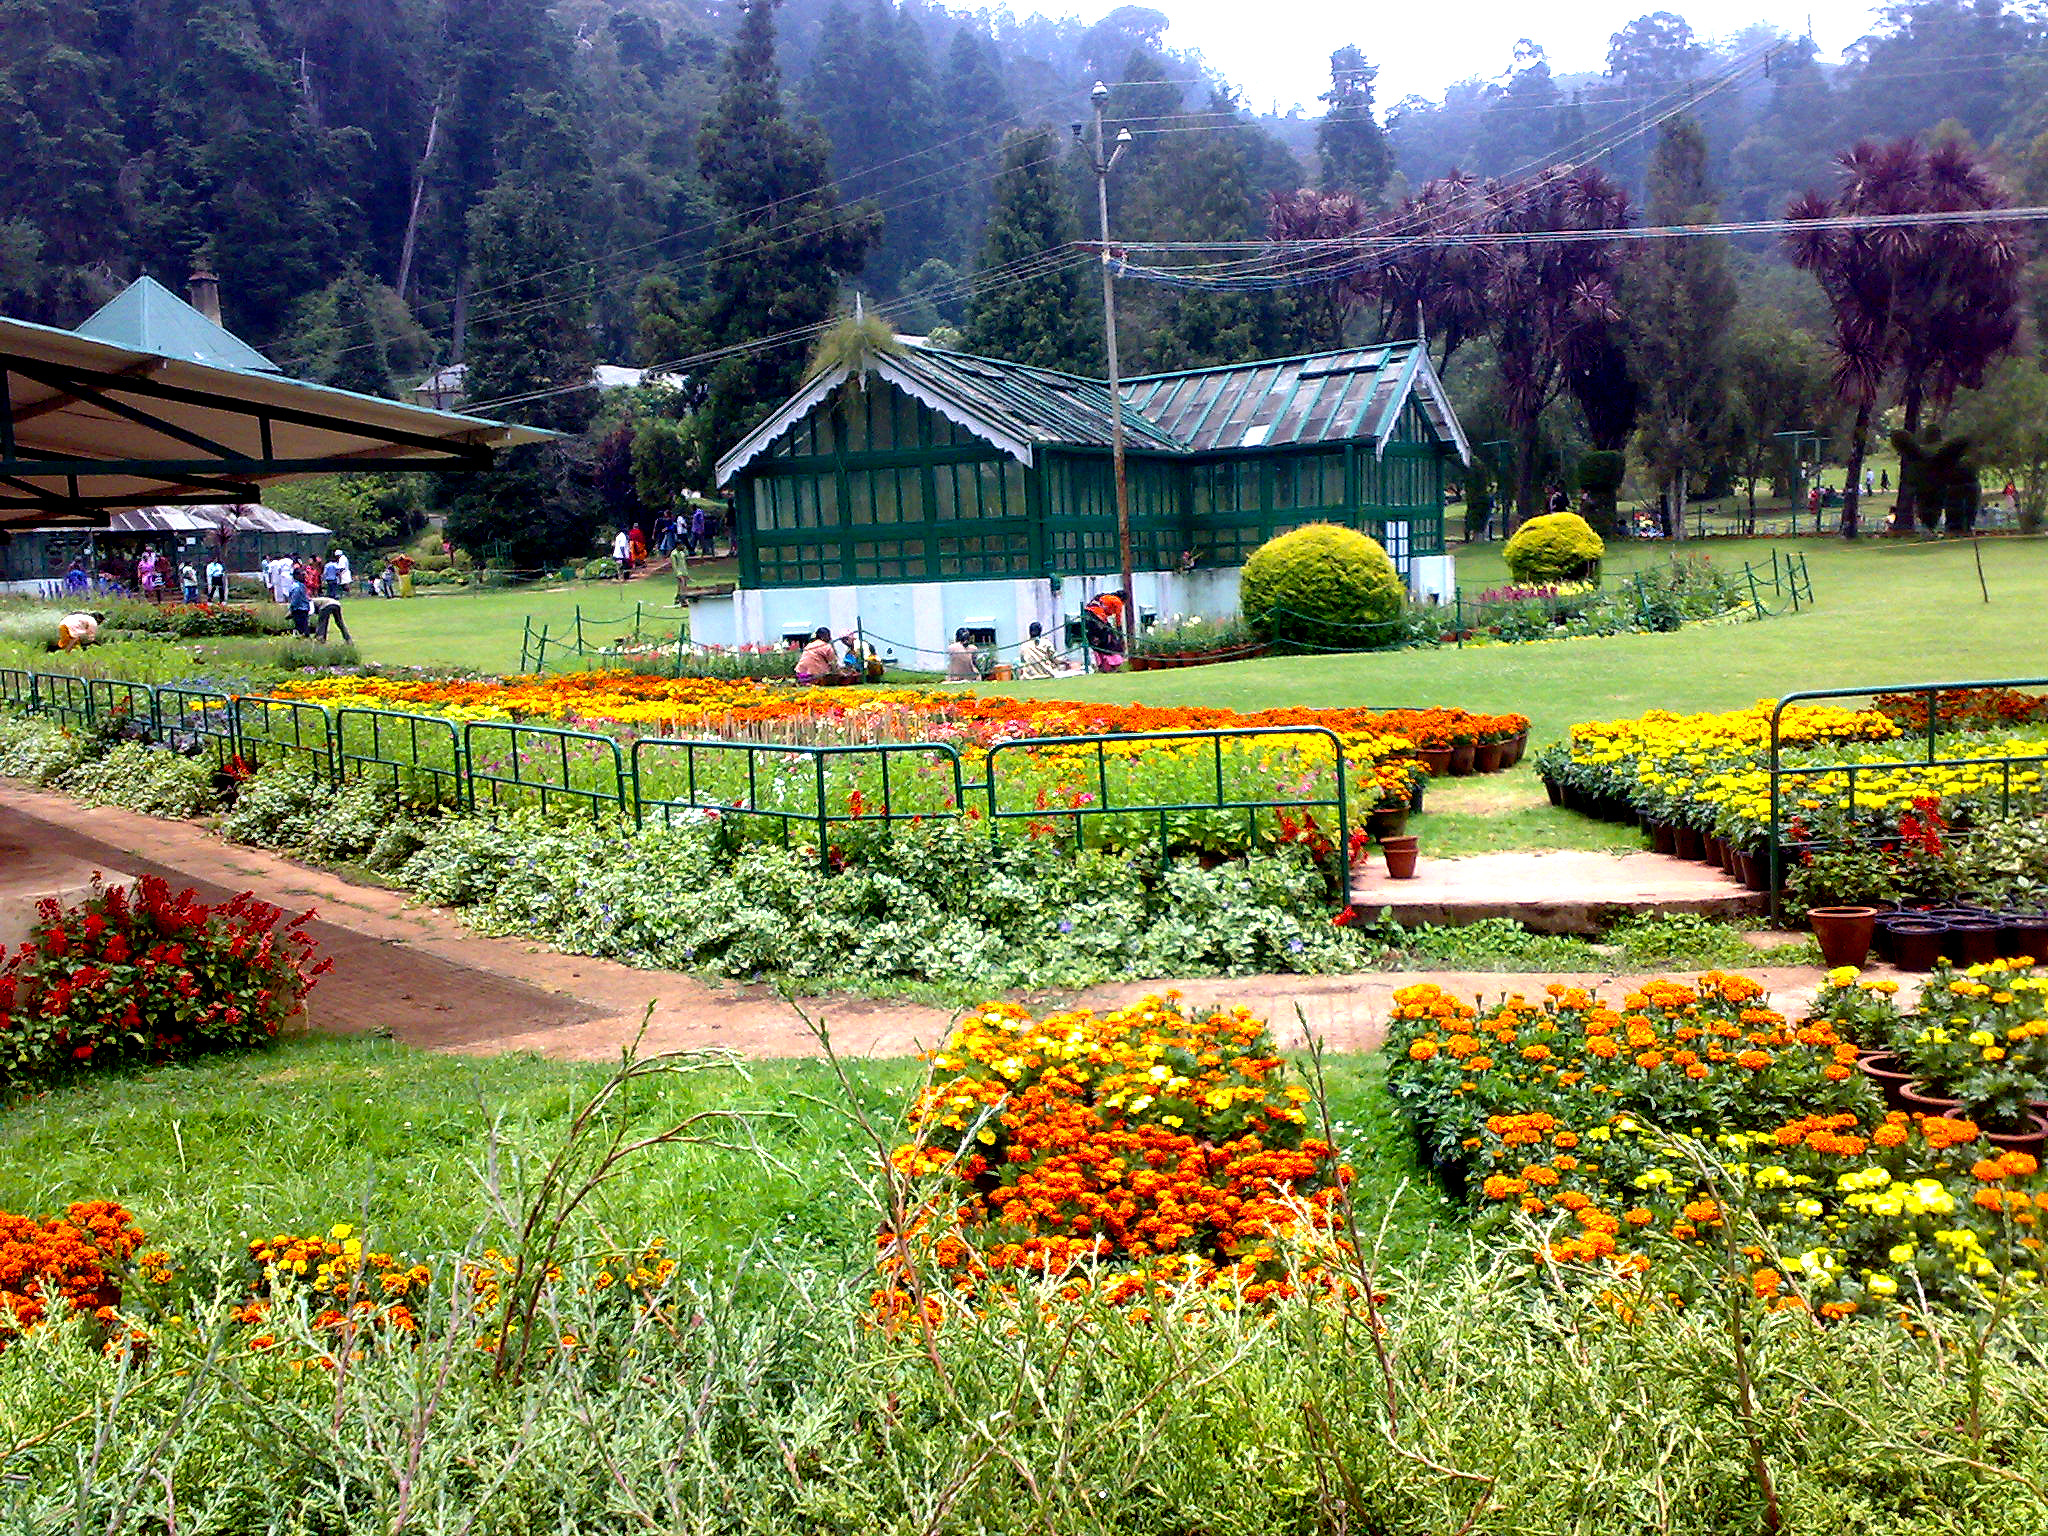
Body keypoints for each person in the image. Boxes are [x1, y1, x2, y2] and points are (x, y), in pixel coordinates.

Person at [286, 570, 313, 636]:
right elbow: (295, 599)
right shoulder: (297, 587)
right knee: (302, 629)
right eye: (302, 575)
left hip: (303, 609)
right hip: (299, 610)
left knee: (304, 628)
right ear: (297, 576)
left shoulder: (301, 585)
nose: (304, 577)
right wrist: (291, 609)